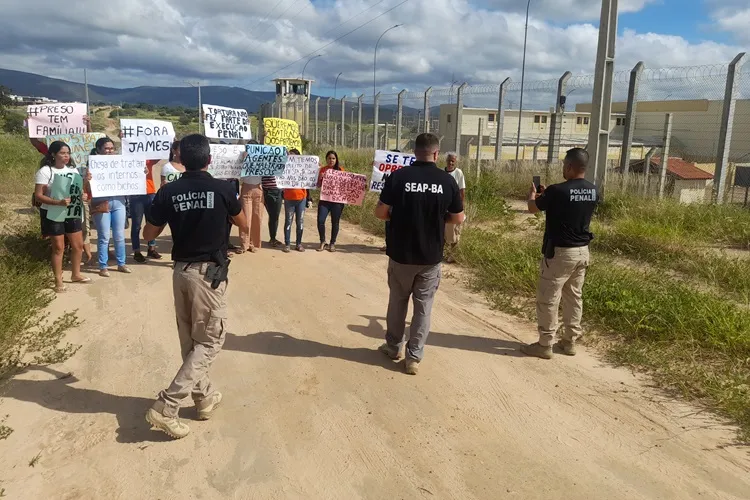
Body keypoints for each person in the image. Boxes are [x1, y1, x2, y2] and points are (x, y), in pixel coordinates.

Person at [143, 134, 248, 439]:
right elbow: (242, 223)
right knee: (211, 342)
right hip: (208, 275)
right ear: (209, 160)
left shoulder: (169, 191)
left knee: (191, 342)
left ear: (180, 159)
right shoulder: (223, 188)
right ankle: (167, 406)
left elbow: (150, 232)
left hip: (180, 273)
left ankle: (203, 398)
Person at [375, 133, 465, 375]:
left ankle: (394, 347)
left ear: (414, 152)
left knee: (397, 303)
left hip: (401, 254)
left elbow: (380, 213)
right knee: (423, 307)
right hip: (430, 257)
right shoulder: (447, 181)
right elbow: (457, 217)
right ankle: (414, 357)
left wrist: (399, 215)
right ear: (437, 154)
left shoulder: (399, 176)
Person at [521, 148, 599, 360]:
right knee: (574, 297)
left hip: (560, 253)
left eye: (565, 164)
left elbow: (532, 208)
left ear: (570, 167)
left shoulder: (557, 191)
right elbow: (571, 203)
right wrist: (548, 194)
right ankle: (569, 341)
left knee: (549, 298)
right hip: (583, 251)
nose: (563, 168)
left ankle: (545, 344)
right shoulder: (593, 190)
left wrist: (533, 194)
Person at [33, 141, 90, 292]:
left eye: (68, 153)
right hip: (53, 213)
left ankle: (76, 274)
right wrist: (56, 202)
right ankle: (58, 280)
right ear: (53, 154)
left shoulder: (74, 171)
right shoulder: (45, 172)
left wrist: (83, 195)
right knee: (59, 247)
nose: (66, 156)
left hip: (72, 212)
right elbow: (38, 196)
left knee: (78, 246)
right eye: (62, 153)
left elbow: (78, 192)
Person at [88, 137, 130, 277]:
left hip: (118, 202)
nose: (110, 151)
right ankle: (103, 266)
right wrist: (86, 179)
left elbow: (130, 176)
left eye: (112, 148)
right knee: (104, 236)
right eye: (106, 148)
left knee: (119, 235)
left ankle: (121, 263)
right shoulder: (92, 165)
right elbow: (87, 188)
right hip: (101, 202)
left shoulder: (120, 162)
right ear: (99, 149)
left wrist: (141, 173)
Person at [130, 159, 162, 263]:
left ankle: (151, 248)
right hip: (135, 194)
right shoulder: (128, 160)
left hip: (150, 193)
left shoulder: (148, 159)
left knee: (151, 222)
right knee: (136, 225)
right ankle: (137, 251)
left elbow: (160, 153)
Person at [282, 149, 312, 253]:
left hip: (301, 199)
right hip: (289, 199)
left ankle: (298, 243)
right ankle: (287, 244)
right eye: (290, 156)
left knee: (300, 222)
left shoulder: (304, 168)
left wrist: (309, 199)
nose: (291, 158)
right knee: (288, 221)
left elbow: (309, 182)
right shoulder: (284, 167)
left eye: (294, 156)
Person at [238, 140, 264, 253]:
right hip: (246, 188)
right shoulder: (242, 156)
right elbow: (237, 169)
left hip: (258, 189)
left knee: (257, 217)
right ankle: (244, 244)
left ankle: (254, 243)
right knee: (246, 217)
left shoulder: (263, 158)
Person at [317, 150, 345, 252]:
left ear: (336, 159)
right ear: (326, 159)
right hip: (324, 200)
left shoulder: (341, 170)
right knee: (320, 221)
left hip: (337, 202)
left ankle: (332, 243)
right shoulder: (323, 170)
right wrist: (320, 177)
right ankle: (323, 241)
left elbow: (346, 185)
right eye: (329, 158)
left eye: (333, 158)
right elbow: (318, 185)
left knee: (335, 222)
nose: (331, 160)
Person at [443, 152, 466, 263]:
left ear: (455, 162)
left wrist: (461, 207)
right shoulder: (441, 173)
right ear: (446, 161)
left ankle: (453, 255)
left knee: (454, 233)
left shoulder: (458, 173)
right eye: (449, 160)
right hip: (443, 207)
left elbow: (462, 191)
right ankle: (441, 253)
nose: (451, 163)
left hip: (453, 206)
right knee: (442, 232)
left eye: (453, 161)